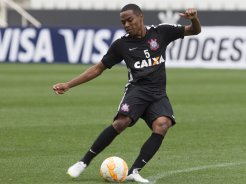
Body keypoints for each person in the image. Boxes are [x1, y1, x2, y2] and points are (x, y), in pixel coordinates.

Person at [53, 3, 201, 183]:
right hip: (137, 91)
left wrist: (193, 19)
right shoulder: (121, 45)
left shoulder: (161, 32)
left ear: (141, 17)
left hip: (157, 93)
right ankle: (83, 162)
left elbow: (194, 31)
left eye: (129, 20)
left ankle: (134, 171)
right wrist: (68, 85)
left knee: (163, 124)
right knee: (121, 123)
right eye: (123, 22)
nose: (126, 25)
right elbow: (98, 68)